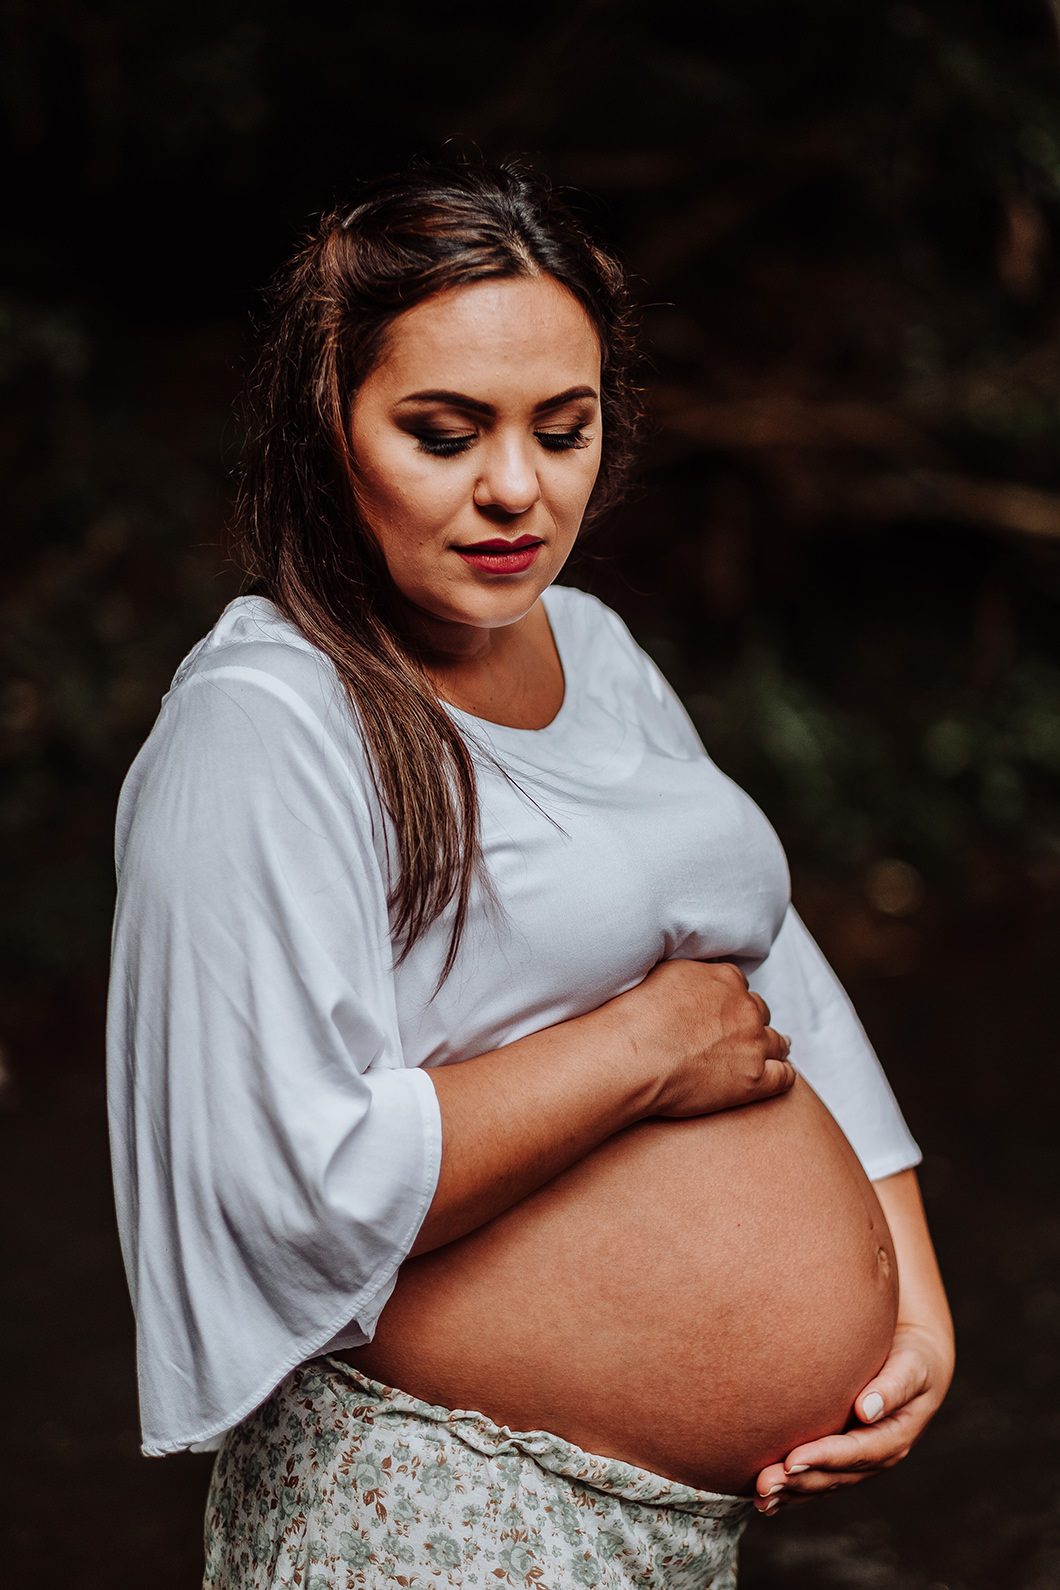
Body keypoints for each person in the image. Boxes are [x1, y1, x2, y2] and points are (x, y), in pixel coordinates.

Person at [107, 159, 954, 1590]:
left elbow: (770, 957)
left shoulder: (598, 647)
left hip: (665, 1527)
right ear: (328, 428)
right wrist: (642, 1044)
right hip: (428, 1499)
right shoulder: (262, 724)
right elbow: (282, 1179)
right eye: (443, 433)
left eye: (563, 430)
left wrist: (912, 1300)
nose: (517, 487)